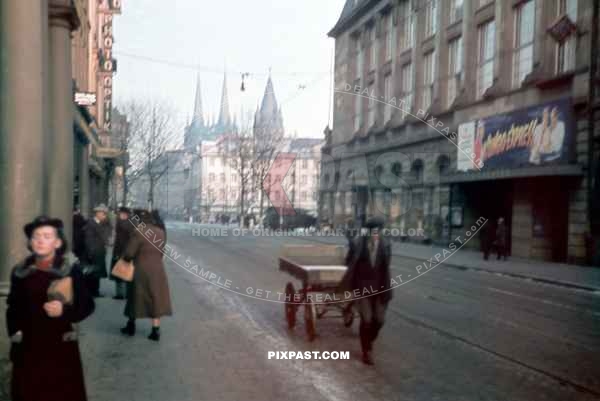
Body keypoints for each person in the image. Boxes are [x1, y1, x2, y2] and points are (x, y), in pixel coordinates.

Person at [6, 216, 95, 401]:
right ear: (30, 242)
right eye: (36, 236)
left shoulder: (69, 270)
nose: (40, 240)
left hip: (59, 347)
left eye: (47, 236)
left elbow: (87, 305)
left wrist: (64, 312)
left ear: (58, 243)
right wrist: (15, 332)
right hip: (28, 347)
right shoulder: (20, 271)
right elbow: (12, 306)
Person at [339, 216, 392, 365]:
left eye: (378, 231)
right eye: (373, 231)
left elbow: (385, 267)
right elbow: (349, 261)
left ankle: (369, 339)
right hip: (362, 288)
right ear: (367, 232)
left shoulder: (386, 244)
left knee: (379, 320)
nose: (376, 234)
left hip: (381, 288)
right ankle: (366, 351)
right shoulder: (358, 244)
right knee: (366, 320)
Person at [120, 209, 173, 341]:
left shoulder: (138, 232)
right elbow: (162, 251)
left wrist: (125, 260)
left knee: (135, 296)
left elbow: (129, 253)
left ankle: (131, 326)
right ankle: (155, 331)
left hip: (140, 269)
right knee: (155, 298)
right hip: (157, 269)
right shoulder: (160, 232)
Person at [83, 204, 112, 297]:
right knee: (93, 273)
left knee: (97, 273)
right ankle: (93, 291)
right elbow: (89, 239)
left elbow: (107, 234)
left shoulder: (102, 223)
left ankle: (95, 291)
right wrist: (91, 251)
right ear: (98, 214)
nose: (105, 216)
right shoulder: (91, 224)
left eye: (105, 214)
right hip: (93, 252)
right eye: (104, 214)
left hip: (99, 252)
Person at [110, 207, 132, 300]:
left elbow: (120, 241)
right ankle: (126, 294)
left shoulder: (123, 225)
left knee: (120, 275)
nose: (120, 215)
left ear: (126, 214)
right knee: (126, 274)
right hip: (126, 252)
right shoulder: (129, 224)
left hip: (122, 253)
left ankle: (121, 294)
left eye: (121, 214)